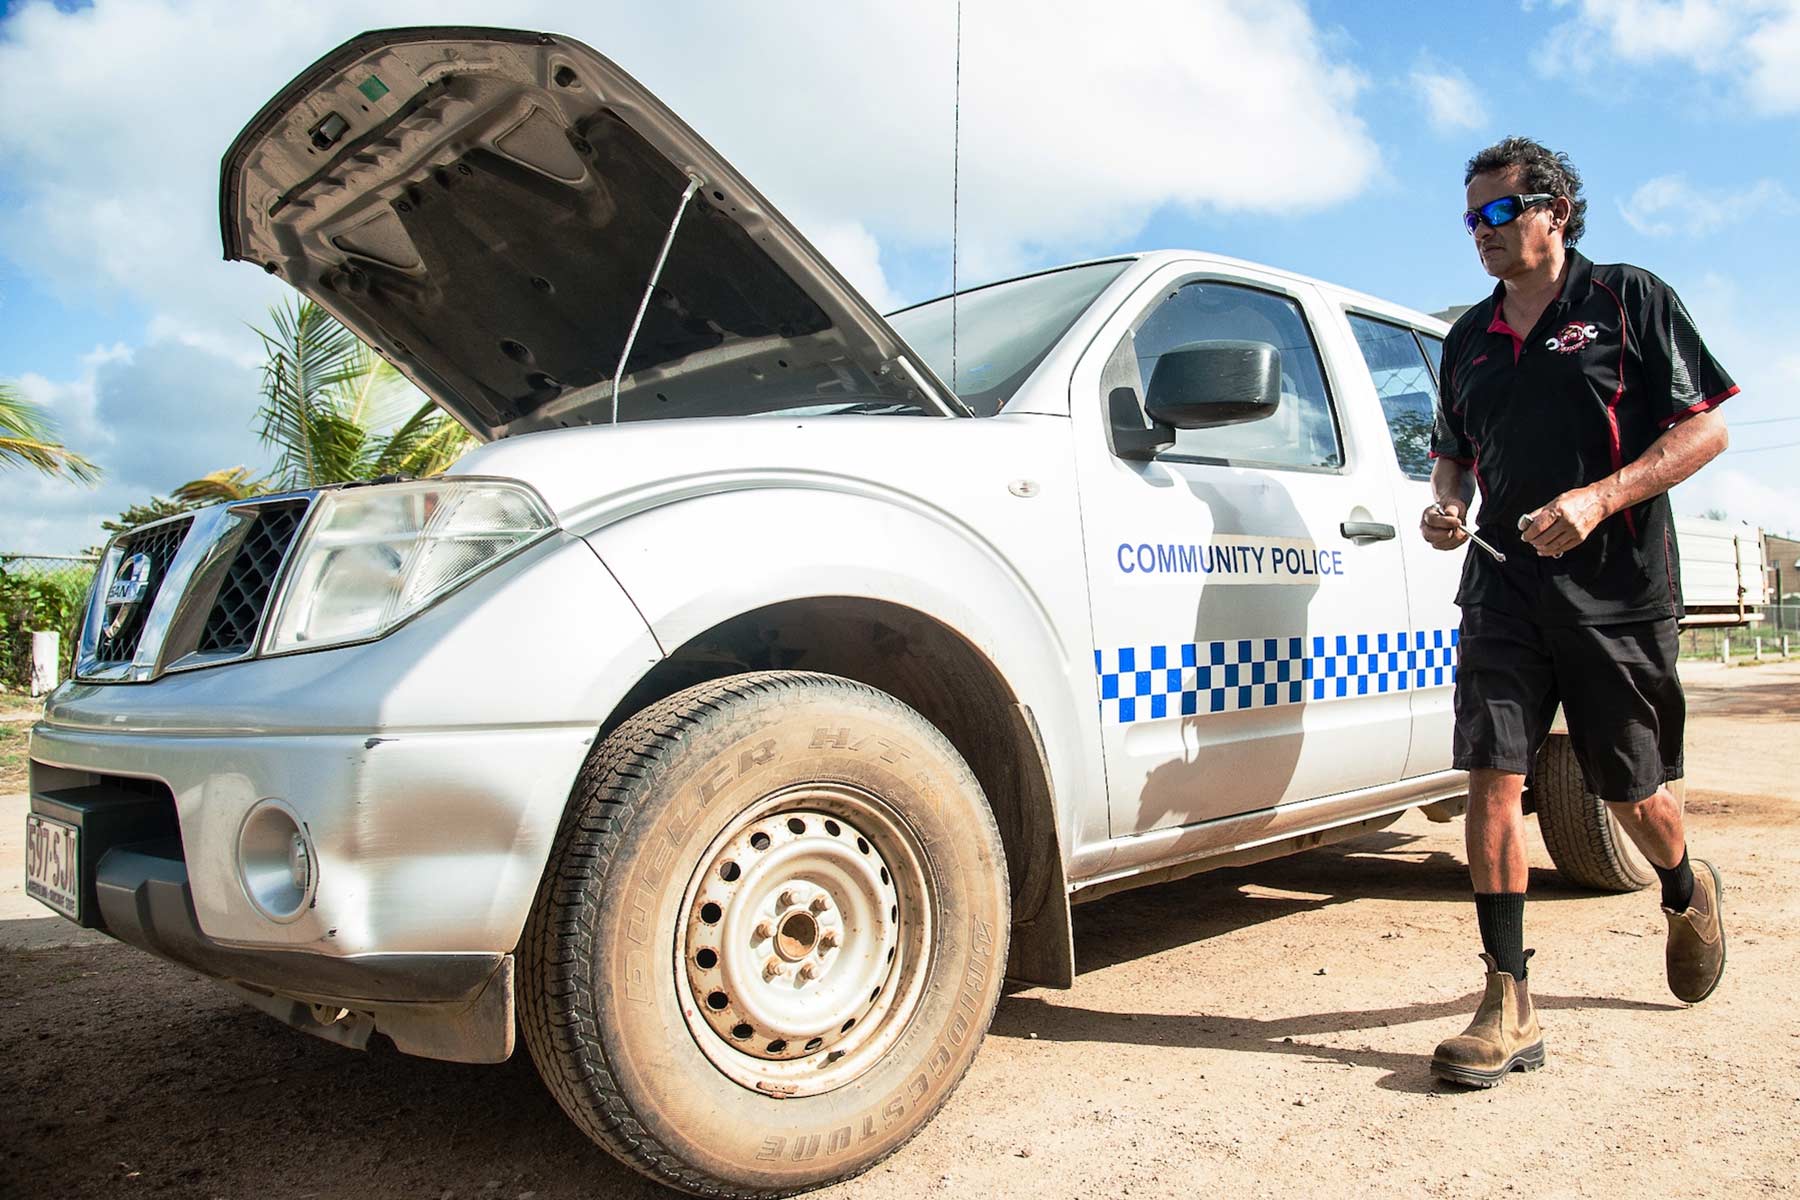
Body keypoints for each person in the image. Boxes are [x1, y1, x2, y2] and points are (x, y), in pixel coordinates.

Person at [1420, 136, 1734, 1088]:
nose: (1482, 233)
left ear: (1554, 208)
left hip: (1617, 593)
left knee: (1629, 792)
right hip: (1504, 588)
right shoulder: (1469, 338)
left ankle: (1686, 890)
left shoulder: (1628, 299)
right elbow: (1454, 450)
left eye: (1499, 212)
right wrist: (1447, 505)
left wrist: (1600, 498)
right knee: (1492, 777)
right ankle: (1506, 997)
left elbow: (1706, 426)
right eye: (1471, 218)